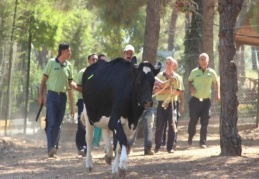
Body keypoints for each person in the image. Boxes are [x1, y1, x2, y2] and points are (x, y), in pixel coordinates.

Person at [38, 43, 77, 158]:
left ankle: (53, 148)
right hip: (51, 97)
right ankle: (51, 148)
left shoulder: (69, 65)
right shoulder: (51, 63)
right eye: (68, 51)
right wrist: (41, 96)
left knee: (59, 124)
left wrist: (72, 105)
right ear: (63, 51)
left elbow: (70, 84)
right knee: (52, 122)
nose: (70, 53)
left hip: (63, 97)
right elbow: (43, 81)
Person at [122, 44, 155, 155]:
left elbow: (150, 78)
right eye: (127, 53)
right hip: (127, 103)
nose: (129, 55)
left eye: (131, 53)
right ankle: (127, 146)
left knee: (149, 122)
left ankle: (148, 147)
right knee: (130, 126)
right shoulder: (119, 68)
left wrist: (161, 83)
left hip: (144, 101)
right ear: (124, 54)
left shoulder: (139, 68)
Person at [187, 53, 220, 148]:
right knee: (193, 121)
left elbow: (216, 82)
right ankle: (190, 137)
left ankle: (203, 142)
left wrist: (217, 93)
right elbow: (189, 81)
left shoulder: (212, 72)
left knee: (205, 122)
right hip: (195, 101)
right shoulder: (194, 72)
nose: (203, 61)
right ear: (198, 61)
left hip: (206, 102)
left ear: (208, 61)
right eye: (201, 59)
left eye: (205, 59)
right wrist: (191, 87)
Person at [153, 56, 184, 153]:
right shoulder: (159, 77)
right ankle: (157, 145)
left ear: (174, 65)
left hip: (172, 104)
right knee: (159, 125)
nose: (167, 65)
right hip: (161, 104)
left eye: (170, 63)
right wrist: (169, 89)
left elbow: (178, 92)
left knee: (172, 125)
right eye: (166, 63)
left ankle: (170, 147)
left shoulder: (178, 78)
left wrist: (164, 90)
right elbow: (156, 90)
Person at [74, 54, 98, 156]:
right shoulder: (83, 72)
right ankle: (81, 147)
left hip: (95, 102)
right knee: (82, 124)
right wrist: (88, 91)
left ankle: (88, 147)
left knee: (92, 124)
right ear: (89, 61)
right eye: (93, 59)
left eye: (96, 59)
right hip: (83, 101)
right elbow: (77, 86)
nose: (95, 61)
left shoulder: (99, 73)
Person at [161, 60, 184, 148]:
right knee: (162, 123)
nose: (170, 66)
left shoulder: (178, 78)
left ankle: (173, 141)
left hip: (174, 103)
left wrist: (182, 104)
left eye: (172, 64)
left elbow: (180, 93)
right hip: (163, 102)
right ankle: (162, 142)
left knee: (174, 122)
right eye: (168, 63)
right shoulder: (161, 75)